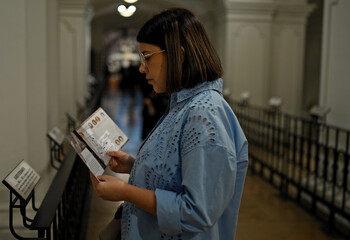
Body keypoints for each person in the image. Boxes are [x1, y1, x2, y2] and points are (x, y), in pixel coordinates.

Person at [90, 8, 248, 240]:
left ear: (179, 55)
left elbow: (197, 211)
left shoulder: (204, 114)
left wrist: (126, 191)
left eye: (147, 56)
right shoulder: (184, 104)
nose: (142, 67)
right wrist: (134, 166)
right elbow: (180, 173)